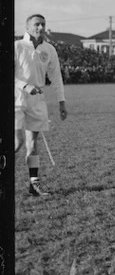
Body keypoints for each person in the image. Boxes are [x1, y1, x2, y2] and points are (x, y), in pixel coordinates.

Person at [15, 14, 68, 197]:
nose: (40, 27)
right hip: (15, 99)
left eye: (42, 24)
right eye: (36, 24)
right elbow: (7, 75)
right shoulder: (17, 46)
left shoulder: (49, 49)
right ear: (27, 27)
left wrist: (62, 102)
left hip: (37, 100)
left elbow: (56, 77)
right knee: (16, 141)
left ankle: (34, 184)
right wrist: (25, 86)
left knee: (32, 143)